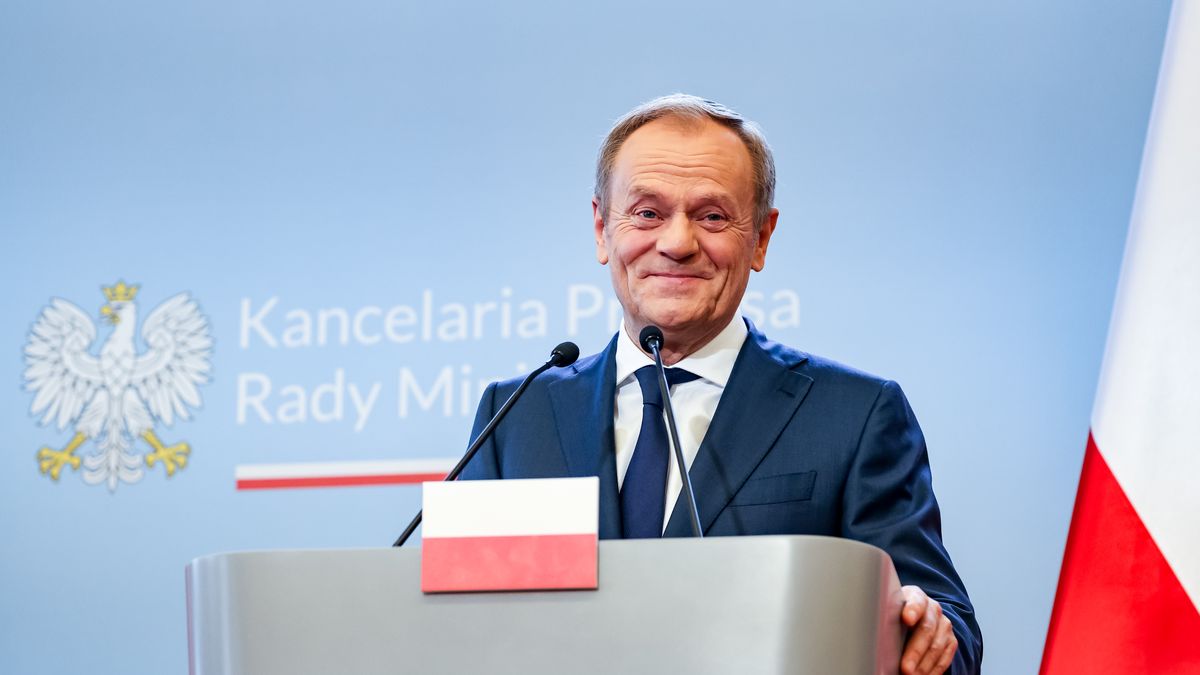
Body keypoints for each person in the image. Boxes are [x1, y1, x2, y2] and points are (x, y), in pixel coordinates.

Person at [461, 94, 982, 675]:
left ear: (760, 238)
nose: (677, 243)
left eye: (711, 217)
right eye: (647, 213)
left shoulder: (855, 416)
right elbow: (458, 624)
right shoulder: (516, 415)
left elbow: (950, 633)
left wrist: (923, 631)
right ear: (603, 229)